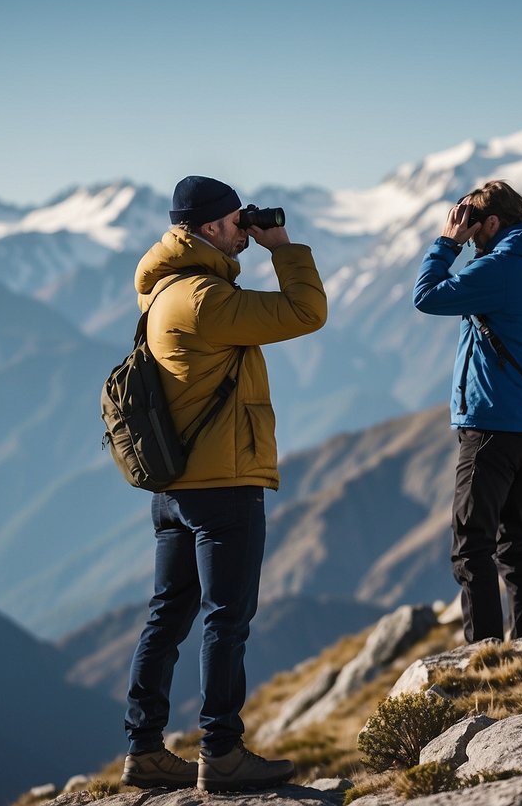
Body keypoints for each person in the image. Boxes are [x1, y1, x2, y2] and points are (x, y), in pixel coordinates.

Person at [121, 175, 327, 792]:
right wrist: (283, 246)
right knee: (225, 618)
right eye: (237, 220)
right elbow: (306, 311)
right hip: (222, 486)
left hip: (177, 489)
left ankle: (145, 748)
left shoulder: (164, 293)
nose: (245, 226)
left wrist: (250, 244)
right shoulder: (204, 299)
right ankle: (222, 750)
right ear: (209, 228)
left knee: (167, 616)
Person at [412, 180, 522, 644]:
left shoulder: (500, 268)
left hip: (493, 428)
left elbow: (427, 296)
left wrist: (445, 244)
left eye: (473, 223)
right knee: (516, 546)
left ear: (492, 222)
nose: (468, 232)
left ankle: (486, 656)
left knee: (471, 547)